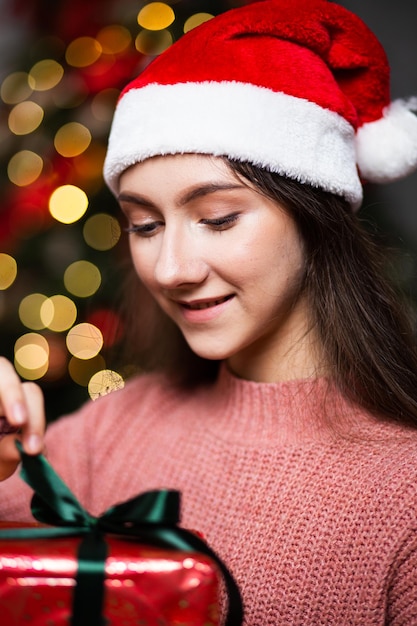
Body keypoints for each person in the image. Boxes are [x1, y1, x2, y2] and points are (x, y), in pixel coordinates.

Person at [1, 0, 417, 623]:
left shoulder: (403, 495)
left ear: (315, 216)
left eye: (217, 219)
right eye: (144, 225)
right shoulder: (107, 432)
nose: (171, 269)